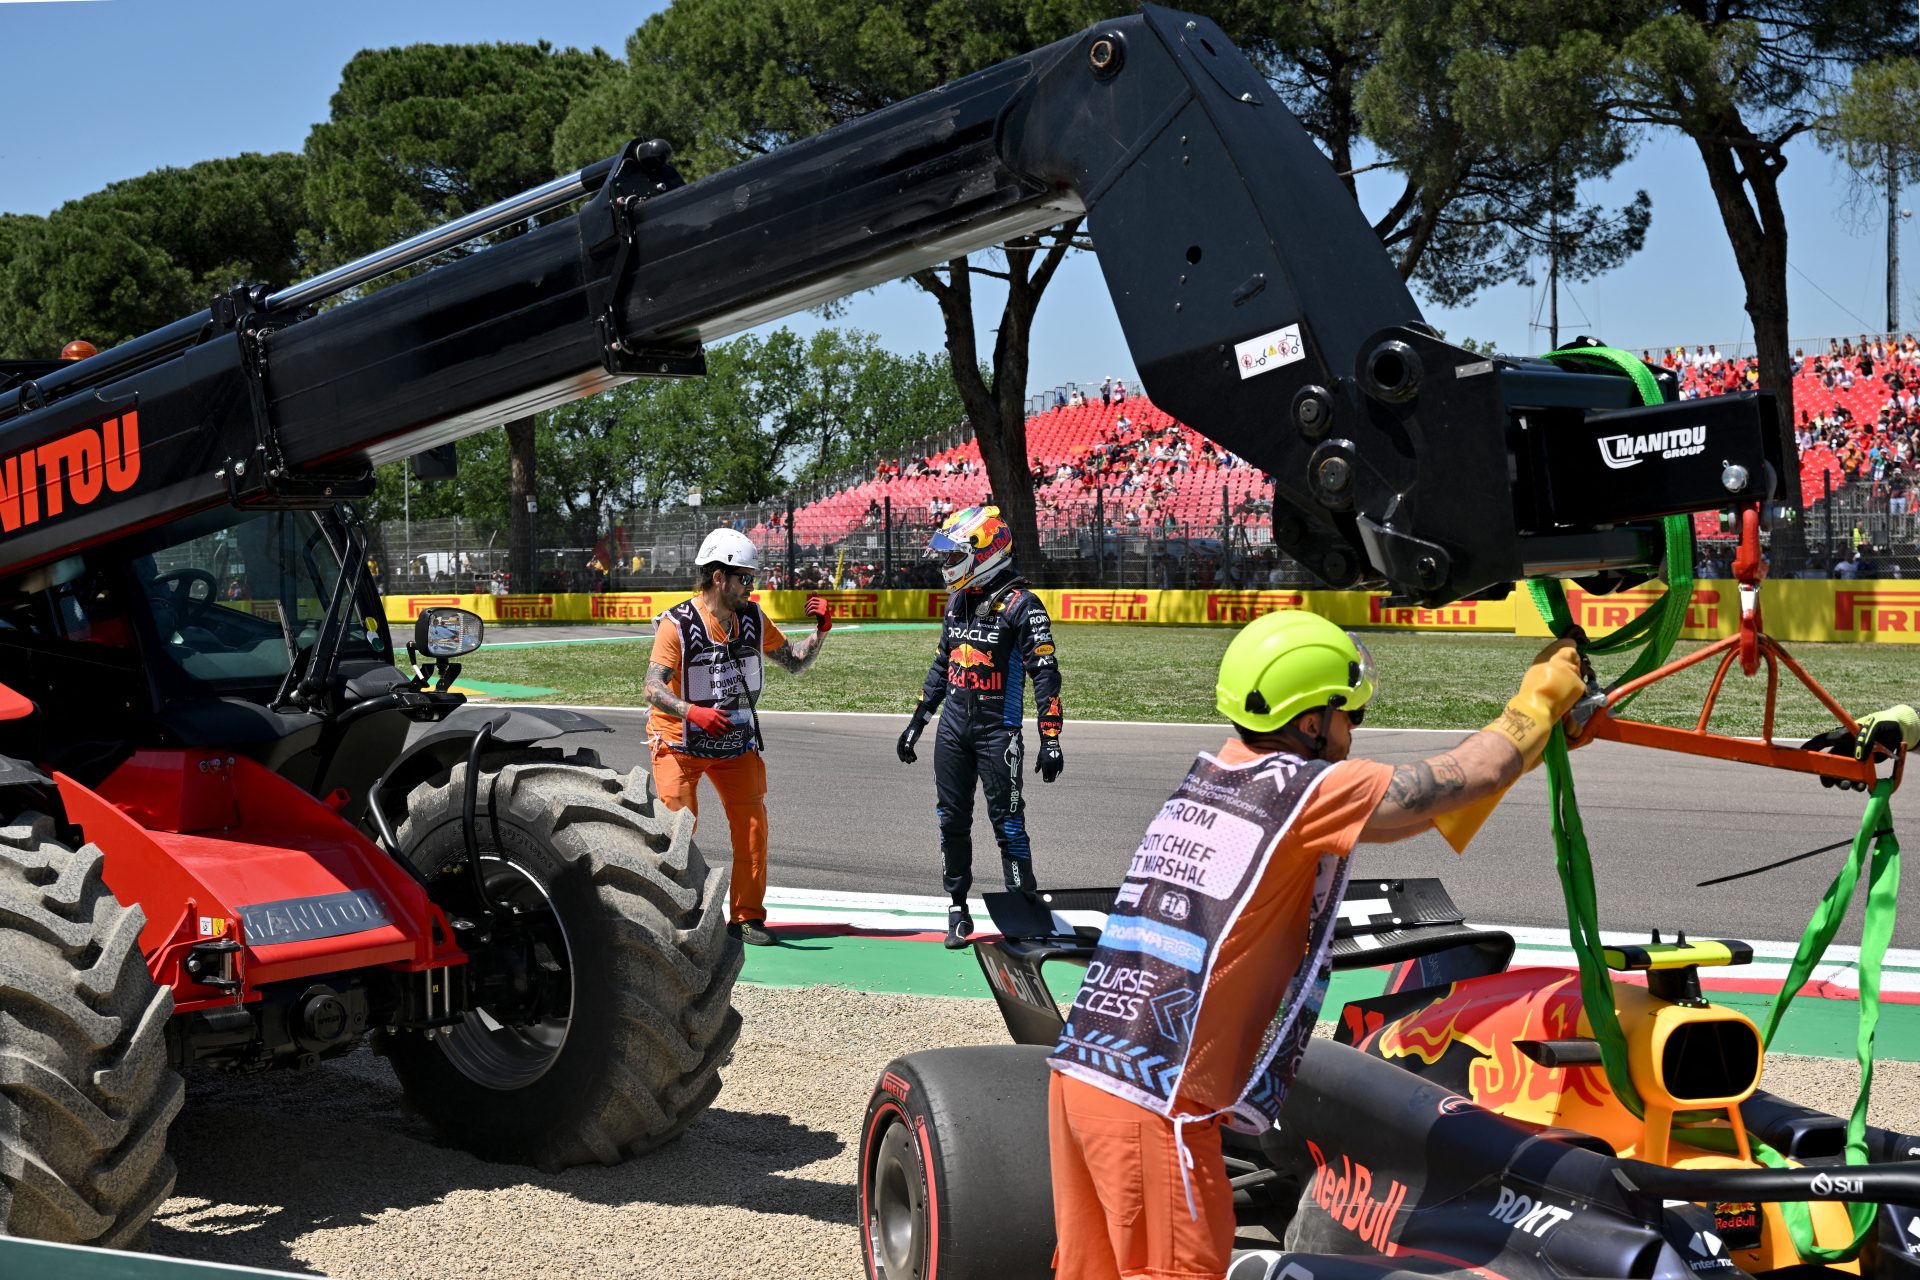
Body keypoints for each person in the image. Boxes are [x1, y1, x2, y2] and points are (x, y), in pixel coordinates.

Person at [1046, 610, 1586, 1280]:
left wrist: (1533, 746)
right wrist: (1539, 699)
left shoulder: (1214, 779)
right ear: (1310, 722)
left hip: (1084, 1075)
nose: (1353, 732)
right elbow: (1456, 781)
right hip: (1156, 1102)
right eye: (1347, 717)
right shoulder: (1303, 790)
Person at [645, 527, 834, 946]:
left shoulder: (752, 619)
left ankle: (747, 917)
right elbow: (652, 689)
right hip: (680, 744)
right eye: (744, 578)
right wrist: (692, 711)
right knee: (677, 833)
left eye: (752, 577)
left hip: (736, 744)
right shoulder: (678, 625)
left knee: (752, 828)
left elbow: (796, 663)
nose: (751, 585)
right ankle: (676, 914)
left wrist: (821, 630)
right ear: (718, 577)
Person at [895, 504, 1064, 949]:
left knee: (1008, 822)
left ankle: (1024, 910)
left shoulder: (1022, 605)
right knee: (951, 820)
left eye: (954, 555)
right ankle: (958, 908)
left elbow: (1045, 673)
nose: (947, 565)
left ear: (985, 551)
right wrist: (917, 722)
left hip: (998, 732)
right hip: (953, 730)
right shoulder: (958, 602)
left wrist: (1051, 737)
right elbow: (940, 666)